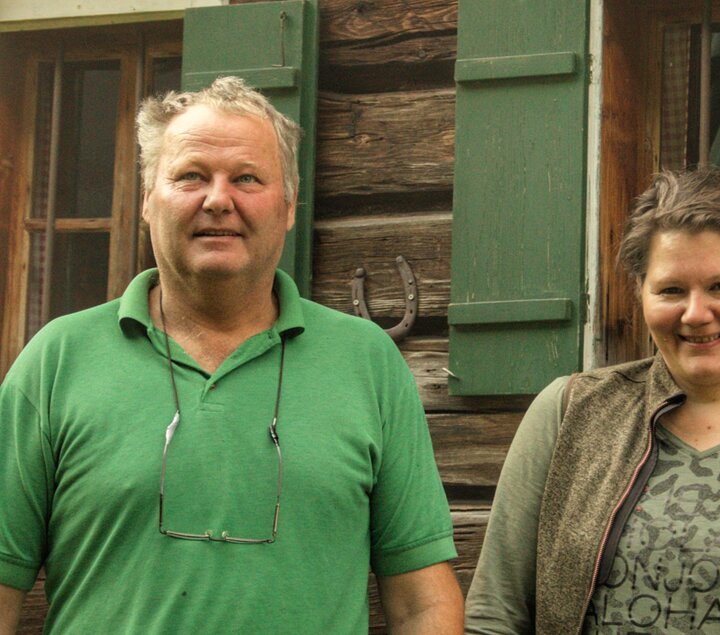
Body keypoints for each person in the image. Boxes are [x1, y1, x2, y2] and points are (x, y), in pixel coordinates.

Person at [0, 76, 462, 634]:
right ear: (147, 200)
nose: (218, 200)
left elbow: (422, 604)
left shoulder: (367, 362)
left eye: (246, 178)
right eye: (191, 175)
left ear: (289, 207)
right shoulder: (57, 361)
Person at [465, 167, 720, 634]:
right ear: (640, 291)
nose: (697, 314)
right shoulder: (570, 412)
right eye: (671, 290)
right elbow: (495, 615)